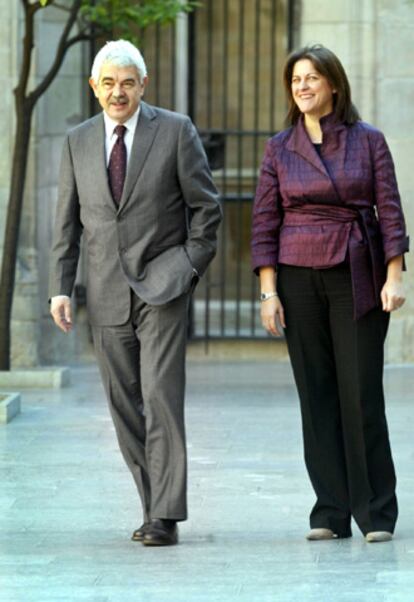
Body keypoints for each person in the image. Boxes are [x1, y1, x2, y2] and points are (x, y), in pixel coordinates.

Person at [49, 40, 222, 546]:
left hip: (162, 289)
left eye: (127, 82)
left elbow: (206, 210)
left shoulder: (173, 130)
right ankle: (153, 506)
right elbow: (67, 224)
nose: (117, 92)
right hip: (104, 291)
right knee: (125, 406)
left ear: (143, 85)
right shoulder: (77, 141)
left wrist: (186, 267)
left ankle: (164, 517)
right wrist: (62, 287)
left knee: (160, 398)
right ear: (94, 87)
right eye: (108, 83)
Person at [251, 44, 409, 543]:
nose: (302, 86)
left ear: (334, 85)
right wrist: (268, 293)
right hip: (297, 278)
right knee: (316, 395)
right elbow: (264, 222)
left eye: (312, 77)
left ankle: (376, 512)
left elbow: (390, 211)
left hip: (356, 272)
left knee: (360, 392)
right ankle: (330, 510)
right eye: (296, 79)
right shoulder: (279, 148)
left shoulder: (369, 141)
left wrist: (395, 275)